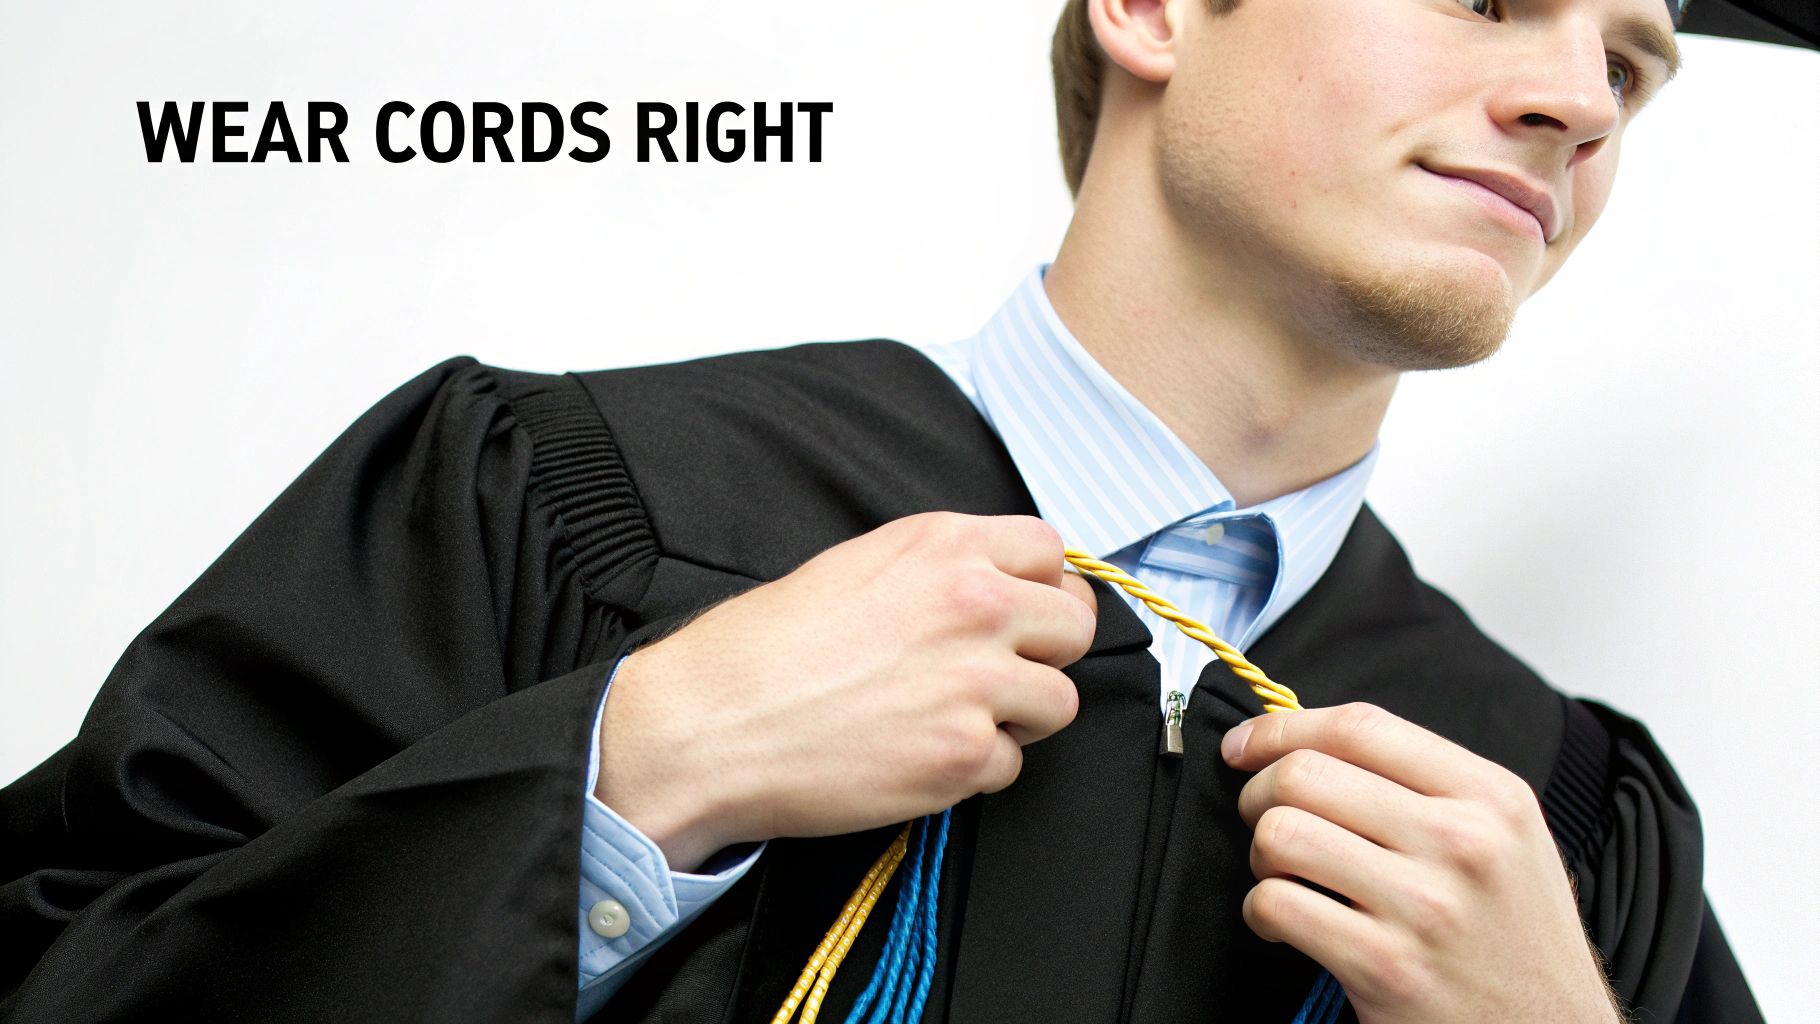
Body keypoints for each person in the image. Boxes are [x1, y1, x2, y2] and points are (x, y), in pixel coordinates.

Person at [0, 0, 1767, 1020]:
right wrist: (630, 781)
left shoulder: (1556, 820)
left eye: (1634, 59)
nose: (1577, 102)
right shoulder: (567, 503)